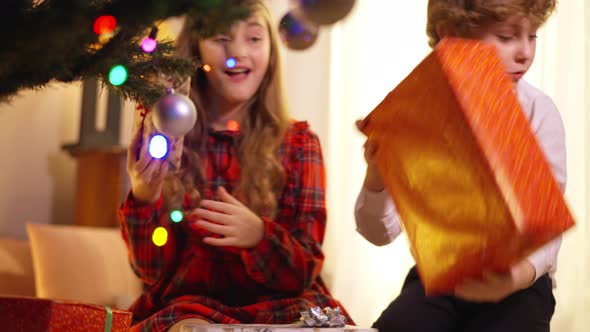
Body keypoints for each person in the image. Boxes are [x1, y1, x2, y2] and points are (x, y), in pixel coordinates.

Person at [118, 1, 352, 331]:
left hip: (281, 309)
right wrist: (144, 196)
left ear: (271, 53)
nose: (238, 51)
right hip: (192, 310)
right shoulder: (168, 143)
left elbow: (303, 269)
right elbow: (153, 272)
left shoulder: (298, 144)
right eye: (221, 38)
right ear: (195, 51)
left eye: (254, 39)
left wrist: (259, 237)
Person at [355, 0, 564, 331]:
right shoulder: (416, 115)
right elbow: (378, 233)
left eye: (533, 36)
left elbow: (545, 228)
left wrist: (517, 276)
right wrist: (377, 176)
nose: (525, 52)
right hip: (441, 278)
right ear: (451, 36)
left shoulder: (538, 112)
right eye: (507, 36)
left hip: (520, 281)